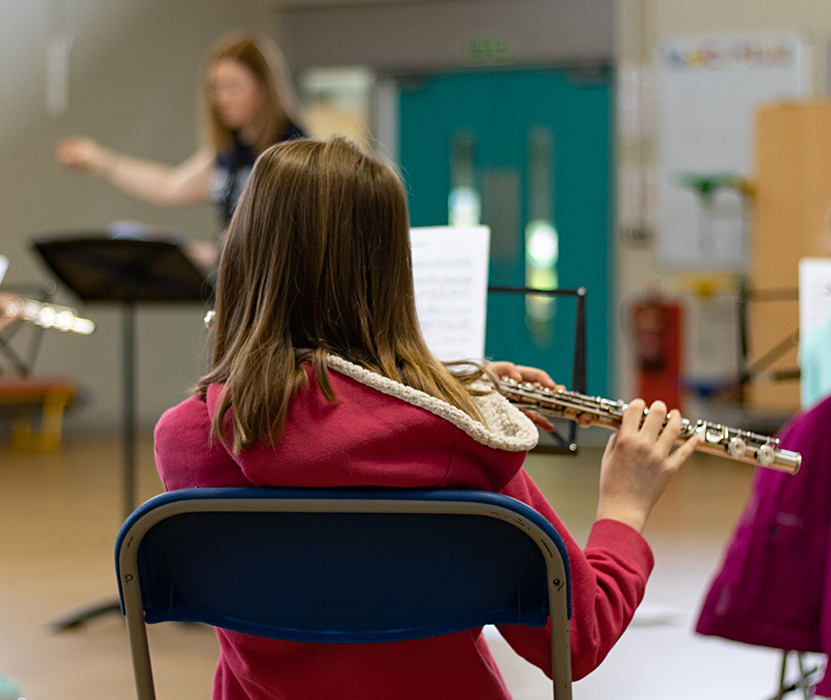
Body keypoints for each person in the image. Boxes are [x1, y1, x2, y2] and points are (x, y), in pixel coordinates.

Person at [153, 136, 700, 700]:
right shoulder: (464, 444)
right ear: (390, 272)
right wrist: (624, 506)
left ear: (245, 256)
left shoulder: (187, 439)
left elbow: (319, 423)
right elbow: (578, 638)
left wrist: (444, 386)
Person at [56, 32, 306, 231]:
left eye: (233, 87)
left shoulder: (292, 150)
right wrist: (103, 162)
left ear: (264, 88)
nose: (222, 99)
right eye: (215, 89)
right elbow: (170, 185)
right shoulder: (231, 150)